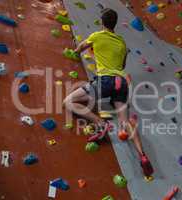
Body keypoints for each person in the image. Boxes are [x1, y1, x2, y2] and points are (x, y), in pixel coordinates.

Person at [63, 8, 154, 176]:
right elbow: (122, 66)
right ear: (115, 23)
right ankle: (142, 155)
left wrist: (74, 52)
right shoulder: (121, 42)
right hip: (122, 83)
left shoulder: (97, 36)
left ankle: (100, 123)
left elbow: (81, 47)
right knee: (125, 122)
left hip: (106, 81)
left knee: (68, 101)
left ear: (102, 22)